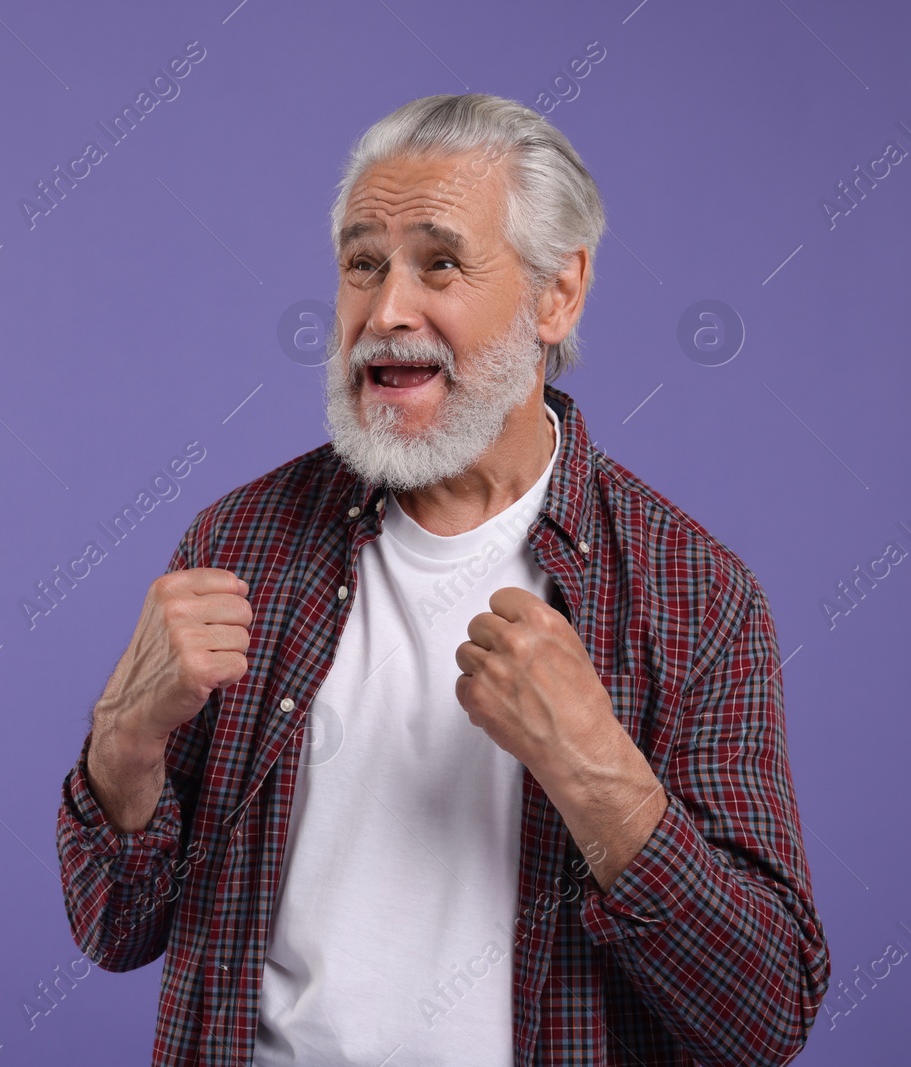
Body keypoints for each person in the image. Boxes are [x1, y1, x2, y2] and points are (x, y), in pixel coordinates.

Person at [54, 93, 829, 1066]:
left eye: (440, 262)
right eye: (361, 264)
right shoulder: (238, 541)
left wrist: (601, 776)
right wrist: (122, 739)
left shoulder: (696, 597)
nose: (385, 312)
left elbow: (761, 1022)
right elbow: (115, 926)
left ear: (557, 293)